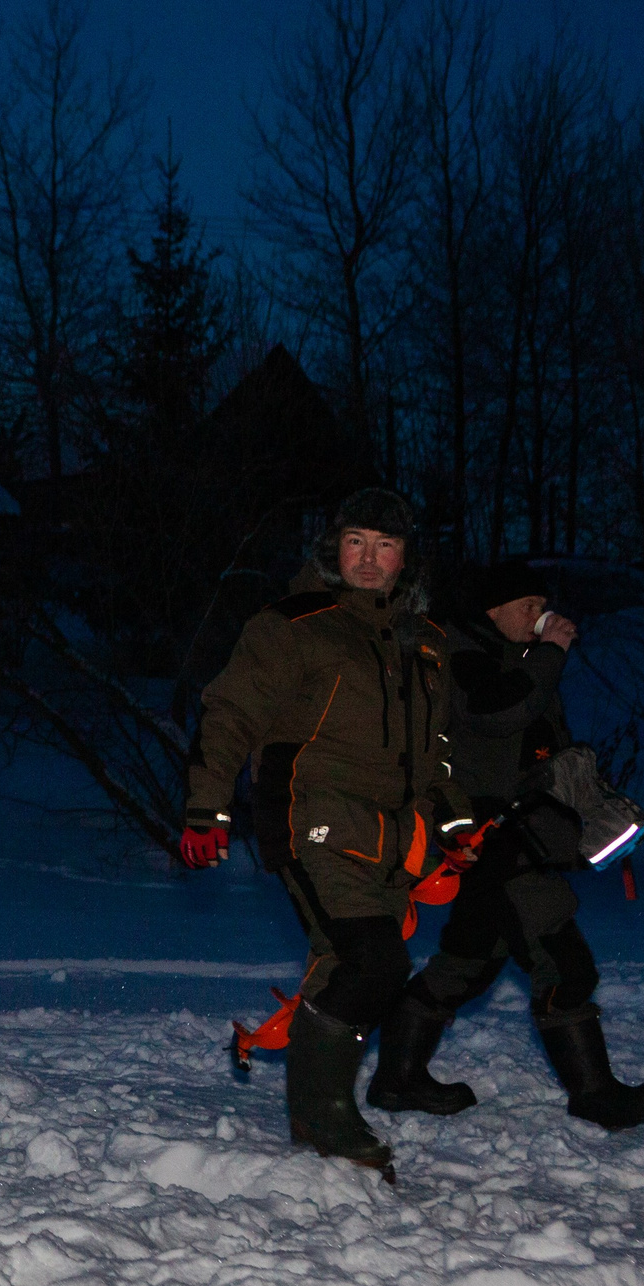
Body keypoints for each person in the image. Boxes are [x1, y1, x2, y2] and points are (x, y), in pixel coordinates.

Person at [180, 489, 477, 1176]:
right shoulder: (294, 625)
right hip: (308, 816)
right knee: (373, 962)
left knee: (347, 964)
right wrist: (207, 808)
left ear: (406, 558)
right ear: (332, 549)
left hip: (392, 839)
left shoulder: (427, 643)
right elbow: (229, 713)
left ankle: (315, 1110)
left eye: (385, 546)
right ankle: (325, 1116)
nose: (368, 560)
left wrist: (455, 817)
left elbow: (435, 751)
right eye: (355, 543)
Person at [371, 561, 644, 1130]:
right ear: (493, 609)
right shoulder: (462, 653)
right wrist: (551, 654)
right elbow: (499, 713)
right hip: (490, 837)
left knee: (470, 959)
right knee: (561, 958)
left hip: (514, 837)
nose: (540, 615)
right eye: (528, 606)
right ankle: (594, 1093)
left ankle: (397, 1077)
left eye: (542, 605)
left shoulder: (512, 655)